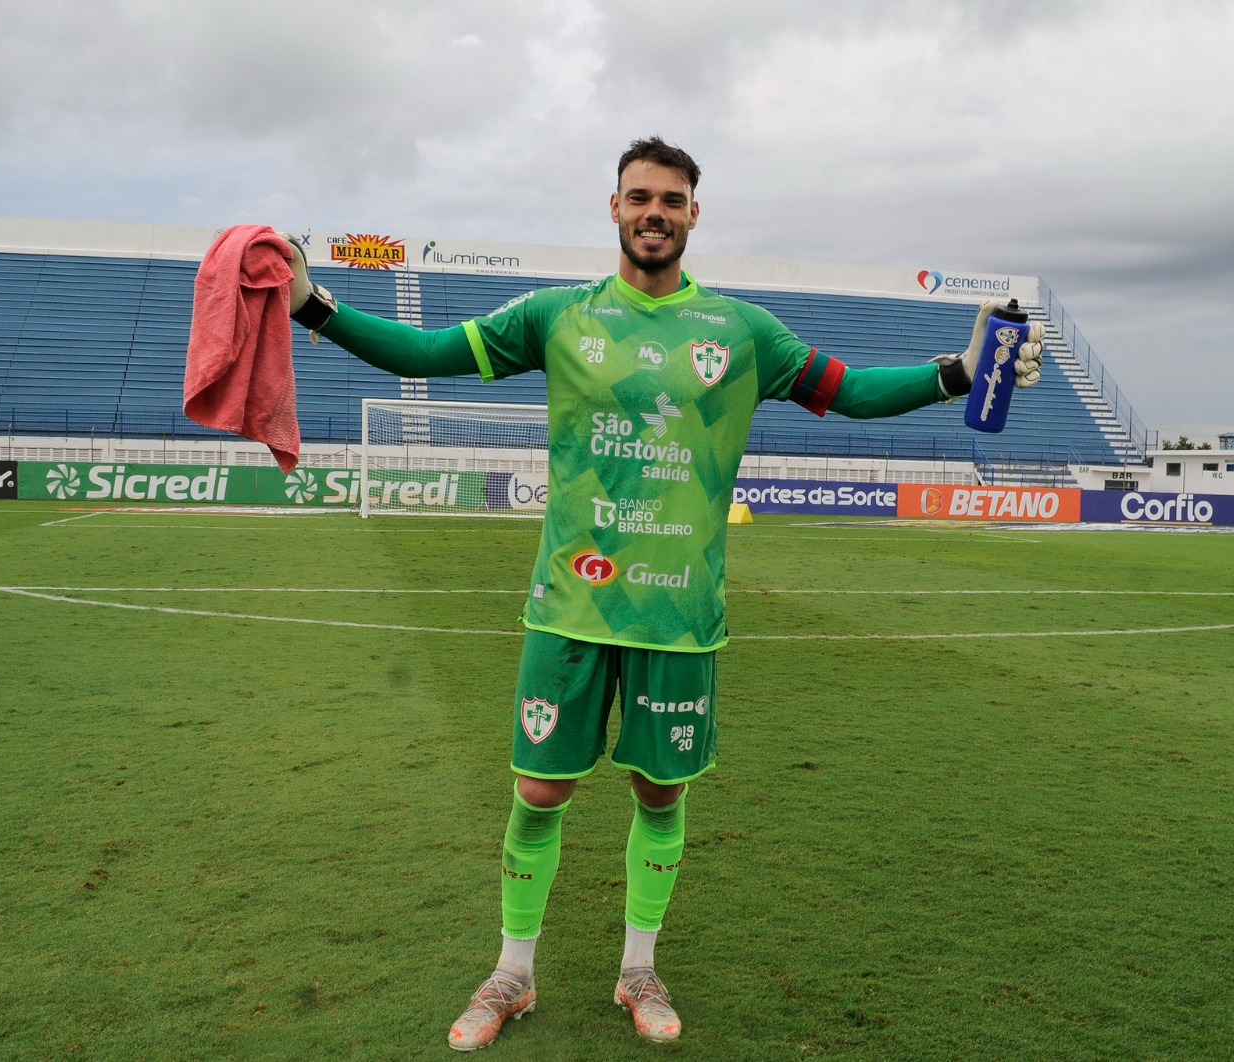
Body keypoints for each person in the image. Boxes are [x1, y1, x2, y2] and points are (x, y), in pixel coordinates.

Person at [280, 136, 1044, 1050]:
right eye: (639, 196)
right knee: (539, 790)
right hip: (570, 605)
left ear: (692, 213)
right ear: (613, 208)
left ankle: (638, 967)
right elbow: (425, 351)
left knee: (658, 792)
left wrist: (957, 372)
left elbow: (854, 392)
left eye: (672, 200)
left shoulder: (742, 332)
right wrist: (312, 305)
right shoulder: (558, 316)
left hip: (679, 615)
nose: (655, 212)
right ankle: (511, 975)